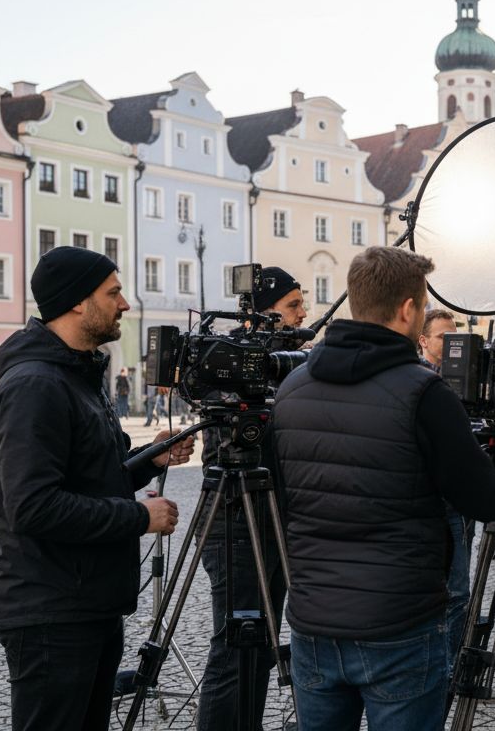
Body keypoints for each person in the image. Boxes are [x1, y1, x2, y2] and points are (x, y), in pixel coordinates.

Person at [272, 246, 495, 730]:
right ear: (407, 310)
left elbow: (286, 499)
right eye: (423, 306)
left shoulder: (292, 388)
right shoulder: (423, 392)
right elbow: (482, 498)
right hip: (399, 625)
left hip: (313, 623)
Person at [0, 246, 195, 731]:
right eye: (114, 292)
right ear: (78, 302)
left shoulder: (77, 373)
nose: (124, 303)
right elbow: (33, 507)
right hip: (51, 614)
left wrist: (149, 457)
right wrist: (139, 518)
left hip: (89, 603)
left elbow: (95, 472)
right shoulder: (35, 385)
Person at [196, 266, 307, 731]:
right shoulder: (232, 362)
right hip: (236, 521)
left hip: (272, 517)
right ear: (263, 315)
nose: (305, 313)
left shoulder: (283, 362)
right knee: (235, 650)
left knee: (261, 645)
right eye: (294, 306)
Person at [416, 308, 483, 667]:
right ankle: (437, 665)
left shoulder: (466, 381)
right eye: (444, 337)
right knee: (445, 589)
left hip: (458, 499)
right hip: (431, 501)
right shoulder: (421, 382)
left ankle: (452, 664)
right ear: (424, 340)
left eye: (456, 336)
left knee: (459, 590)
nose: (453, 343)